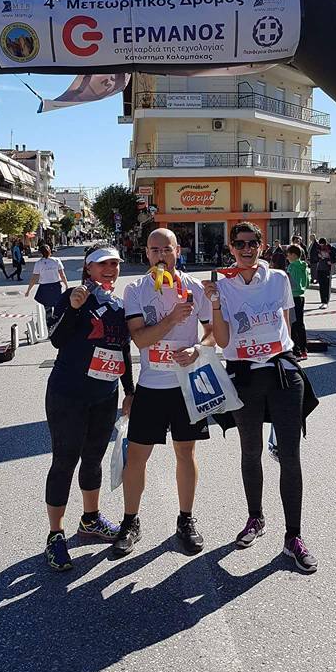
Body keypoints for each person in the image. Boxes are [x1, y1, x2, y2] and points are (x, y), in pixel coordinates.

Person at [202, 222, 317, 571]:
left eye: (253, 243)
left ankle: (293, 537)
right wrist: (216, 303)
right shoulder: (221, 286)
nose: (247, 249)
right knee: (250, 452)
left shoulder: (279, 279)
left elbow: (286, 325)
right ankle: (255, 518)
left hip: (282, 373)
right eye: (240, 244)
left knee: (290, 456)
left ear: (262, 245)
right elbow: (222, 341)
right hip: (244, 377)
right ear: (231, 248)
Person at [113, 227, 214, 558]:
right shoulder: (136, 290)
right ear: (146, 253)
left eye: (166, 249)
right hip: (151, 385)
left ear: (177, 251)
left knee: (186, 453)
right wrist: (171, 319)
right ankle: (130, 521)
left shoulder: (194, 288)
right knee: (137, 457)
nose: (161, 255)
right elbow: (140, 339)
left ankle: (185, 520)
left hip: (186, 385)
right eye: (154, 250)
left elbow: (212, 333)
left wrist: (198, 349)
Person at [43, 244, 135, 571]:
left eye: (115, 264)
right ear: (88, 268)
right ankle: (55, 535)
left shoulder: (119, 304)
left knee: (93, 458)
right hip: (68, 394)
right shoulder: (72, 296)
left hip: (104, 395)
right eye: (102, 264)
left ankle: (90, 519)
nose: (110, 269)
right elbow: (56, 339)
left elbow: (122, 350)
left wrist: (129, 391)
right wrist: (73, 308)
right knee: (64, 461)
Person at [25, 243, 68, 326]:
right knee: (57, 306)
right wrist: (66, 285)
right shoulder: (56, 261)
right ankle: (57, 325)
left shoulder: (38, 263)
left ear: (41, 253)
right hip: (55, 286)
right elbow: (62, 274)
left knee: (47, 308)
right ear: (50, 251)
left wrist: (28, 290)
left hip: (44, 287)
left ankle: (49, 326)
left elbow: (34, 278)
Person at [286, 244, 309, 360]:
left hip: (292, 296)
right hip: (301, 296)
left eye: (288, 255)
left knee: (293, 324)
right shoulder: (304, 266)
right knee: (300, 324)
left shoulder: (292, 267)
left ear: (294, 255)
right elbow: (307, 283)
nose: (287, 257)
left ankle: (296, 351)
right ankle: (304, 350)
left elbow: (289, 283)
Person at [310, 237, 334, 309]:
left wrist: (331, 261)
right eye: (320, 244)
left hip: (327, 269)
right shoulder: (318, 248)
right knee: (321, 286)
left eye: (322, 244)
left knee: (326, 286)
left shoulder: (330, 248)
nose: (321, 246)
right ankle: (323, 301)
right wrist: (318, 257)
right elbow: (314, 256)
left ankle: (326, 302)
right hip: (320, 269)